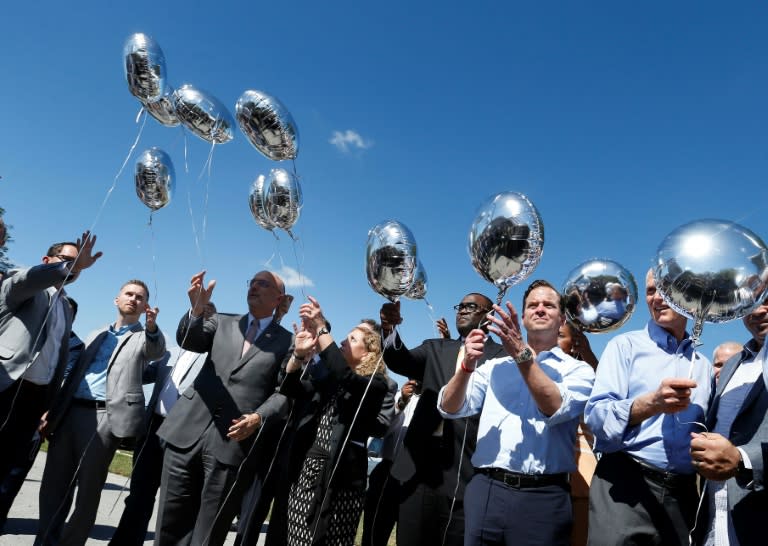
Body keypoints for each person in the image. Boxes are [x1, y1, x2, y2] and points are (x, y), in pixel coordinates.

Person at [439, 279, 595, 545]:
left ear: (562, 320)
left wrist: (521, 354)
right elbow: (449, 407)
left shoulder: (578, 371)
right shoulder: (495, 367)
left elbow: (554, 407)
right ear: (523, 318)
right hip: (487, 489)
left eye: (549, 305)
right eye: (533, 305)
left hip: (543, 498)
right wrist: (465, 367)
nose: (540, 309)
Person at [154, 270, 292, 546]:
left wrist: (258, 417)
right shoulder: (223, 321)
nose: (254, 286)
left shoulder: (288, 342)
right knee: (169, 525)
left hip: (232, 444)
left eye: (262, 284)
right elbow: (189, 340)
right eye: (251, 281)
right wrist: (196, 311)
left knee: (209, 533)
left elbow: (285, 393)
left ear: (279, 298)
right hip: (186, 432)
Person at [584, 269, 712, 546]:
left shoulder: (703, 364)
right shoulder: (624, 347)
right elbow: (596, 417)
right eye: (652, 291)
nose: (657, 298)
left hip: (683, 496)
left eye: (667, 290)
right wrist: (650, 404)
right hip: (625, 487)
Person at [35, 279, 164, 546]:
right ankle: (44, 541)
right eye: (128, 294)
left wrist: (152, 328)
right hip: (70, 413)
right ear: (116, 300)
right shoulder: (96, 334)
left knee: (88, 492)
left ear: (145, 307)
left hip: (105, 417)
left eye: (140, 297)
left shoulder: (143, 338)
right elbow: (73, 376)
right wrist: (54, 410)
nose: (133, 299)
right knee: (53, 488)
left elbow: (155, 350)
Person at [379, 294, 504, 546]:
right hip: (418, 470)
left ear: (489, 316)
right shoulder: (435, 348)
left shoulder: (501, 357)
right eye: (460, 306)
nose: (462, 311)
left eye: (471, 306)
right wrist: (388, 328)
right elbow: (399, 359)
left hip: (465, 472)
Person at [0, 232, 101, 523]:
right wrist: (72, 266)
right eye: (66, 260)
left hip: (35, 398)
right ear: (47, 261)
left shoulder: (67, 307)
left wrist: (49, 405)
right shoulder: (21, 284)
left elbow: (58, 356)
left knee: (11, 473)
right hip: (7, 385)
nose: (73, 267)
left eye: (75, 262)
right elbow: (28, 279)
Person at [282, 296, 389, 545]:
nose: (342, 340)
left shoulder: (375, 385)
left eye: (352, 339)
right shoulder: (331, 379)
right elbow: (291, 388)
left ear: (369, 352)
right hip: (308, 474)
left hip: (341, 482)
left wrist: (321, 327)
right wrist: (298, 356)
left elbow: (345, 376)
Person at [109, 302, 216, 546]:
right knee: (138, 498)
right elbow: (142, 374)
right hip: (152, 430)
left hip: (185, 437)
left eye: (207, 318)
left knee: (176, 506)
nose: (200, 322)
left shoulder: (215, 363)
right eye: (196, 317)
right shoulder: (169, 352)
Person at [690, 296, 768, 546]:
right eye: (751, 302)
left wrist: (744, 462)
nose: (757, 311)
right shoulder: (734, 363)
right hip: (717, 520)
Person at [362, 378, 421, 546]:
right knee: (374, 533)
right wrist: (401, 402)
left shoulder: (438, 402)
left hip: (416, 477)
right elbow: (381, 431)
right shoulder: (396, 397)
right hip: (388, 470)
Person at [557, 321, 599, 546]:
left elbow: (609, 389)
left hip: (580, 473)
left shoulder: (588, 376)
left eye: (559, 335)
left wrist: (588, 352)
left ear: (574, 344)